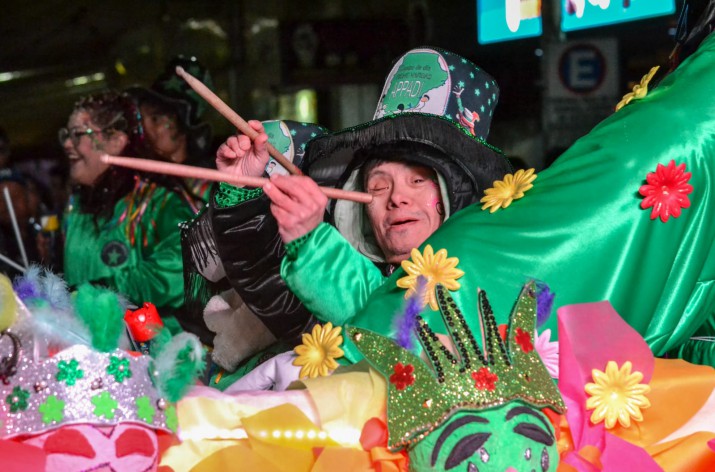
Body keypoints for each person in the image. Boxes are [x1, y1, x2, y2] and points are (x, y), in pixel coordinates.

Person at [205, 47, 512, 387]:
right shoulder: (343, 269)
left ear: (454, 193)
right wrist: (241, 193)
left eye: (419, 180)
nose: (397, 198)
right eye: (378, 186)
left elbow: (389, 323)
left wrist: (312, 245)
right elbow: (271, 289)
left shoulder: (484, 277)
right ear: (359, 205)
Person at [60, 90, 198, 329]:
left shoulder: (158, 202)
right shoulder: (76, 205)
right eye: (66, 134)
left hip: (149, 354)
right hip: (85, 349)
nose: (67, 144)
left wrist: (102, 292)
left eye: (78, 134)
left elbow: (183, 268)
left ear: (116, 141)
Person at [127, 56, 214, 207]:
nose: (144, 129)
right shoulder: (138, 184)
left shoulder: (211, 185)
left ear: (182, 126)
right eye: (139, 119)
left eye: (155, 118)